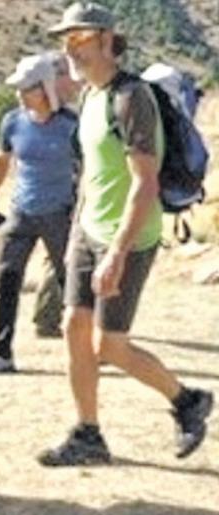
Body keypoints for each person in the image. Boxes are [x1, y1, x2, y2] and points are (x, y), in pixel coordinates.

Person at [39, 2, 213, 465]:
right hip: (89, 229)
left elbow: (145, 183)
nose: (69, 49)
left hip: (128, 238)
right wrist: (79, 227)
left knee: (109, 346)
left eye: (77, 39)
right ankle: (88, 434)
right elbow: (93, 173)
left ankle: (187, 400)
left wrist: (115, 253)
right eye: (64, 41)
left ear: (105, 40)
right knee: (73, 329)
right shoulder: (90, 97)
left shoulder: (132, 97)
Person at [0, 52, 80, 375]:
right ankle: (1, 354)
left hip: (60, 214)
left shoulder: (71, 126)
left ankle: (88, 350)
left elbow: (89, 169)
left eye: (26, 87)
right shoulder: (12, 122)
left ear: (45, 88)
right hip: (21, 212)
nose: (19, 94)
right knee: (6, 281)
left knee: (71, 284)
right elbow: (2, 161)